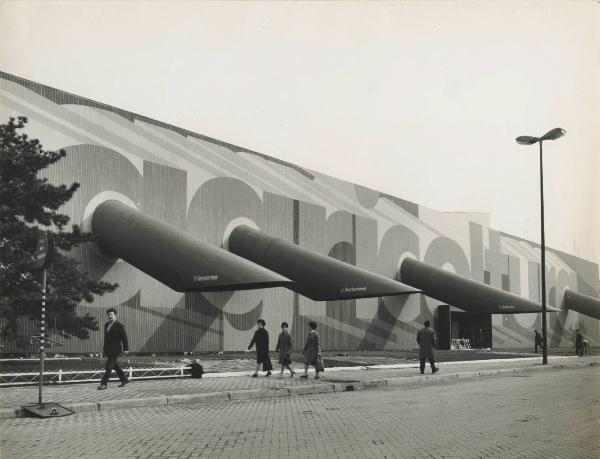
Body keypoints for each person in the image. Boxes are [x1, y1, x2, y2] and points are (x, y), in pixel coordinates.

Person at [98, 308, 129, 390]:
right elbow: (106, 338)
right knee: (115, 366)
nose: (110, 316)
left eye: (111, 314)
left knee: (108, 367)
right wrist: (104, 348)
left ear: (115, 315)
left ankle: (103, 384)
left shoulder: (119, 325)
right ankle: (124, 379)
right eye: (108, 314)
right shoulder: (106, 324)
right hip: (108, 349)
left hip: (116, 350)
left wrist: (126, 348)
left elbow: (124, 337)